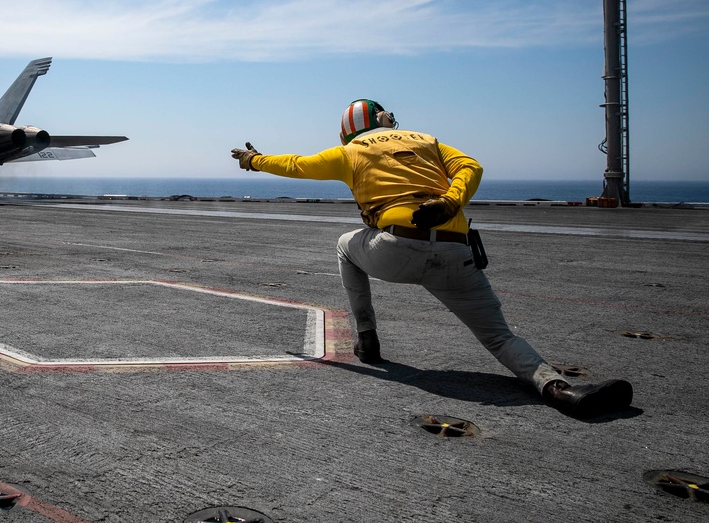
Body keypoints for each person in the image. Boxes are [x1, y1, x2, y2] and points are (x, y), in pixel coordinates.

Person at [231, 98, 633, 418]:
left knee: (343, 245)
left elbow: (296, 165)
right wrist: (448, 202)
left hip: (395, 249)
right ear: (387, 120)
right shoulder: (427, 140)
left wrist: (254, 160)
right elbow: (471, 166)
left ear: (348, 130)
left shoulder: (349, 151)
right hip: (455, 251)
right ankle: (558, 388)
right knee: (498, 336)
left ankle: (367, 340)